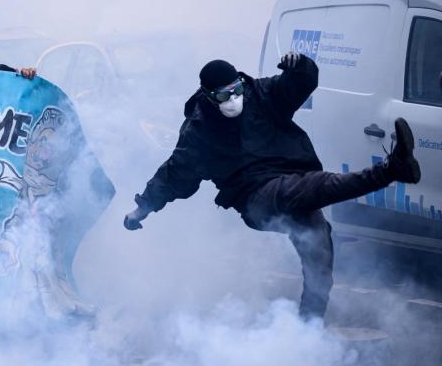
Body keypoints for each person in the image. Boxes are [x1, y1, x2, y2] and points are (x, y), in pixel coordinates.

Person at [124, 52, 422, 320]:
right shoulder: (199, 131)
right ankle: (391, 169)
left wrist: (300, 66)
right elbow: (173, 176)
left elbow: (301, 84)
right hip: (255, 198)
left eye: (237, 90)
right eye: (223, 96)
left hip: (292, 176)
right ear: (208, 96)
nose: (233, 100)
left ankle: (309, 327)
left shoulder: (261, 93)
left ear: (242, 82)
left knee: (318, 246)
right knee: (315, 186)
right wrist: (142, 208)